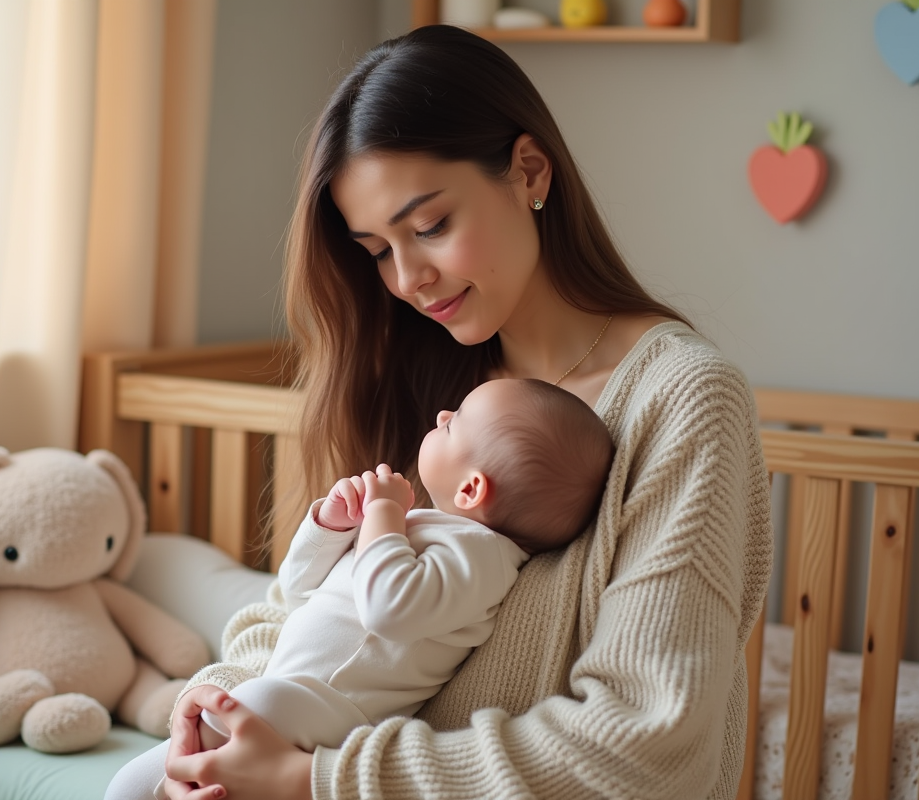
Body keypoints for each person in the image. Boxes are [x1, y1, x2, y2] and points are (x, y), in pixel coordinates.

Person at [138, 22, 771, 800]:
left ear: (529, 172)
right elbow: (303, 617)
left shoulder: (682, 398)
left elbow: (643, 742)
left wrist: (316, 779)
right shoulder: (424, 378)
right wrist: (215, 710)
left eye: (430, 226)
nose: (407, 279)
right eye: (376, 250)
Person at [105, 378, 614, 800]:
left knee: (238, 714)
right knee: (127, 786)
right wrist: (330, 528)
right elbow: (297, 591)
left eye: (454, 421)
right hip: (289, 691)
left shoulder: (483, 558)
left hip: (335, 713)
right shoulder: (426, 528)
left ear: (471, 489)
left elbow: (388, 609)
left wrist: (383, 516)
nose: (440, 415)